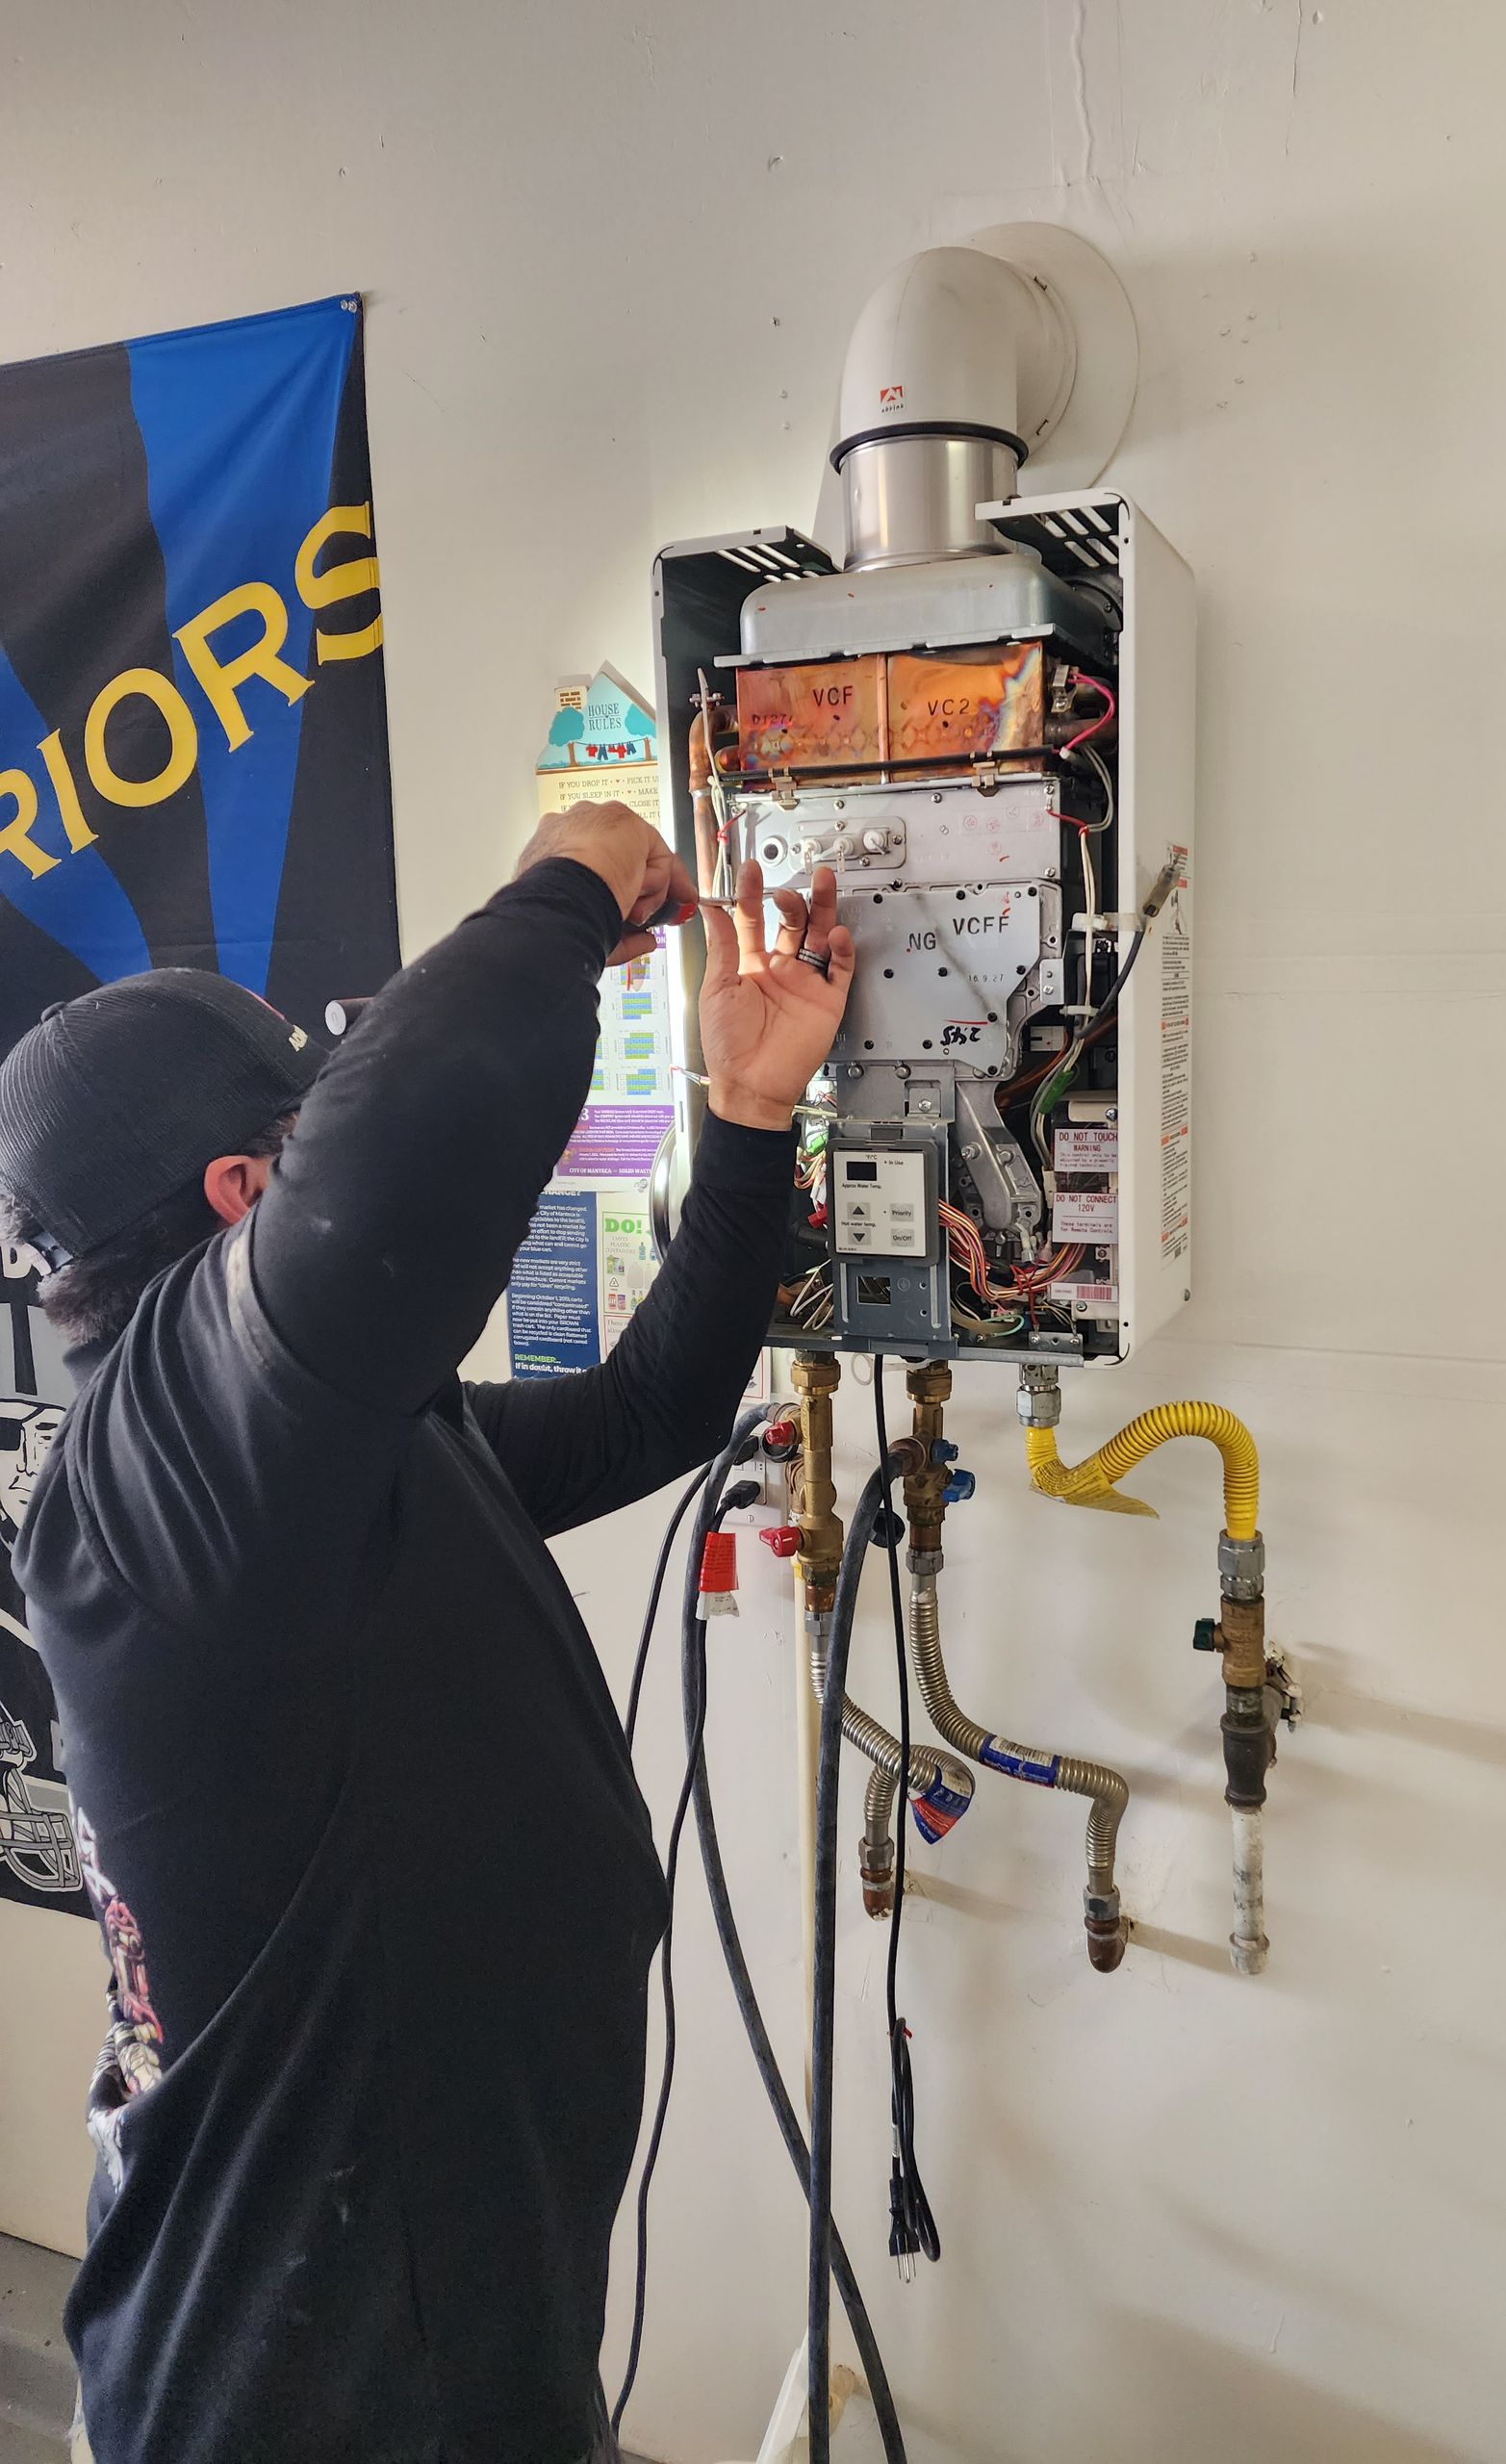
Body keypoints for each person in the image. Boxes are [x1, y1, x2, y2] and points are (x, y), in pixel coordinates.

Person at [0, 802, 854, 2464]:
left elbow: (647, 1415)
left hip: (422, 2316)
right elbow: (419, 1133)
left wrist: (748, 1115)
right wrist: (566, 882)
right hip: (300, 2393)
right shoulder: (156, 1481)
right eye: (303, 1143)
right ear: (247, 1188)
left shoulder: (315, 1468)